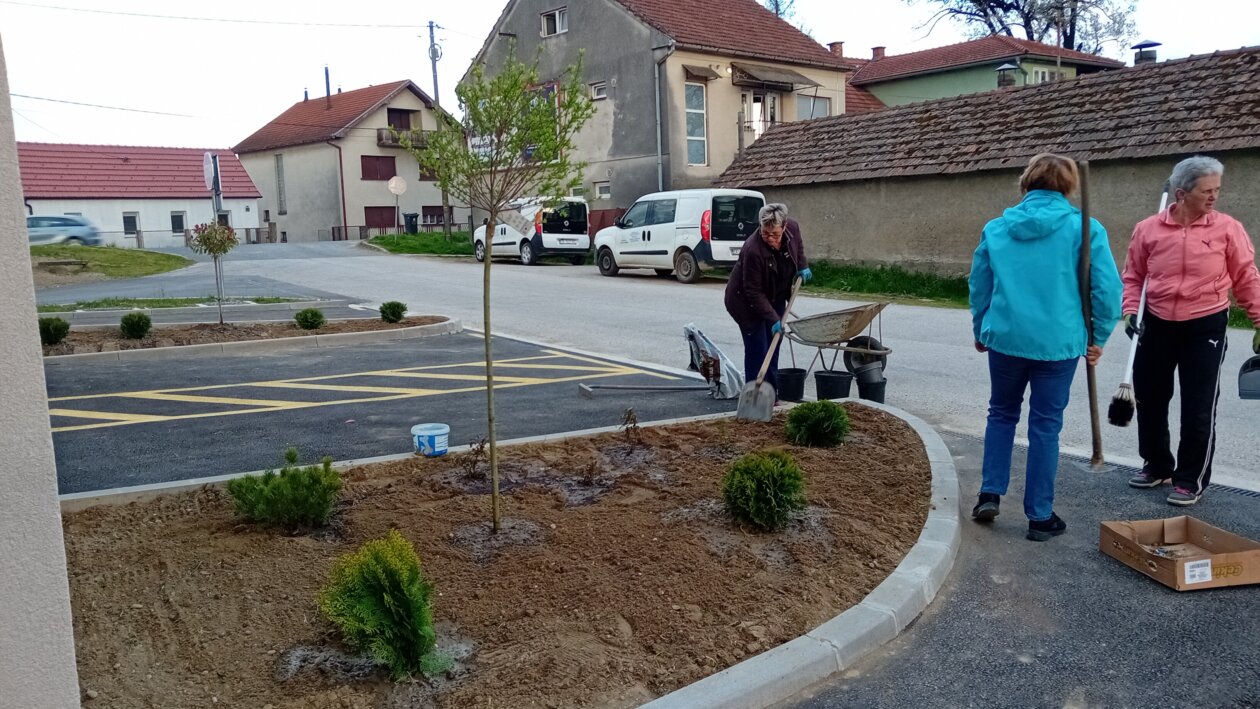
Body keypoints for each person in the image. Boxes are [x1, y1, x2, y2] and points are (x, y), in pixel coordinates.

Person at [968, 153, 1121, 541]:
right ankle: (1039, 515)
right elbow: (1106, 290)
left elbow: (980, 284)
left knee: (1001, 413)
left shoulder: (997, 228)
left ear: (1026, 182)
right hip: (1059, 343)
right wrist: (1098, 337)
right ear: (1068, 186)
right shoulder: (1084, 228)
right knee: (1045, 426)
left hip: (1005, 337)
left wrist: (980, 327)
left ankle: (990, 493)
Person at [1122, 156, 1260, 506]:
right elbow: (1134, 276)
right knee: (1150, 399)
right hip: (1156, 322)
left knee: (1198, 406)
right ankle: (1157, 465)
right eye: (1206, 191)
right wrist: (1128, 311)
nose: (1214, 197)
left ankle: (1189, 479)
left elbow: (1246, 277)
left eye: (1217, 190)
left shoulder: (1228, 229)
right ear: (1181, 194)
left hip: (1205, 324)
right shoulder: (1148, 230)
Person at [724, 203, 811, 397]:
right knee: (758, 349)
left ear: (785, 226)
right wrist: (773, 319)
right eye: (765, 233)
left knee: (774, 345)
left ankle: (770, 395)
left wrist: (802, 265)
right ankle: (754, 396)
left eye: (775, 234)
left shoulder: (793, 229)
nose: (770, 239)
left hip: (775, 294)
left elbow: (799, 248)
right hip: (744, 303)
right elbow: (752, 291)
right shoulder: (752, 250)